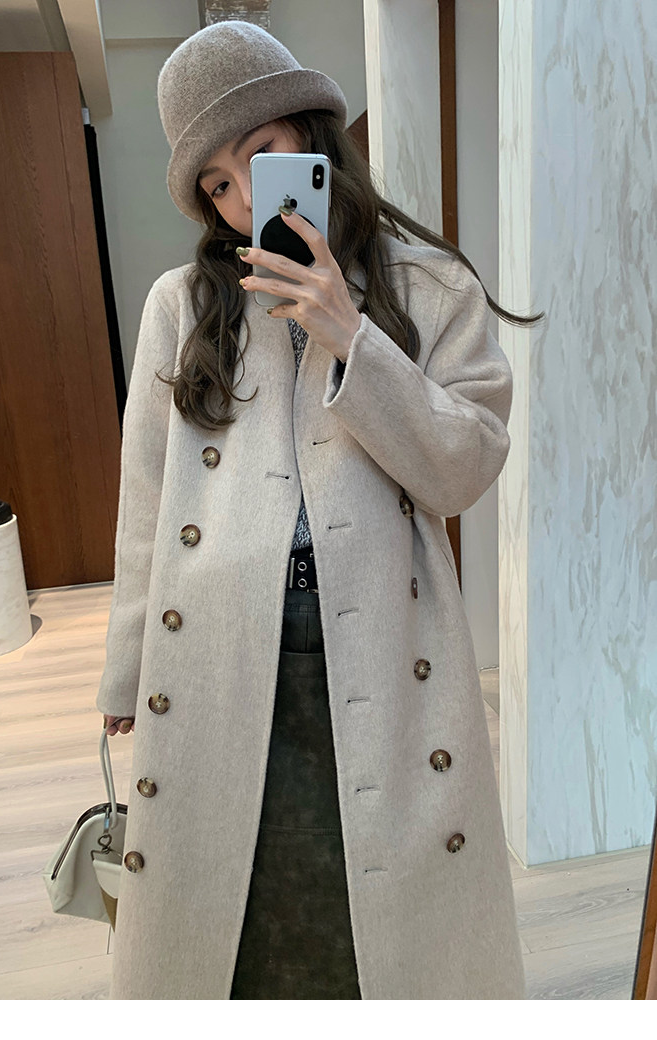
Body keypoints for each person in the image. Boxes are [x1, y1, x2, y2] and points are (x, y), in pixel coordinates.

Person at [97, 20, 543, 1000]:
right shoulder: (182, 305)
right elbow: (147, 497)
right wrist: (126, 665)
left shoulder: (427, 285)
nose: (243, 197)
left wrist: (351, 334)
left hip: (381, 643)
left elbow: (463, 469)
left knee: (377, 921)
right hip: (219, 652)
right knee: (241, 920)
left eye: (260, 154)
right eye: (216, 182)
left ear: (310, 134)